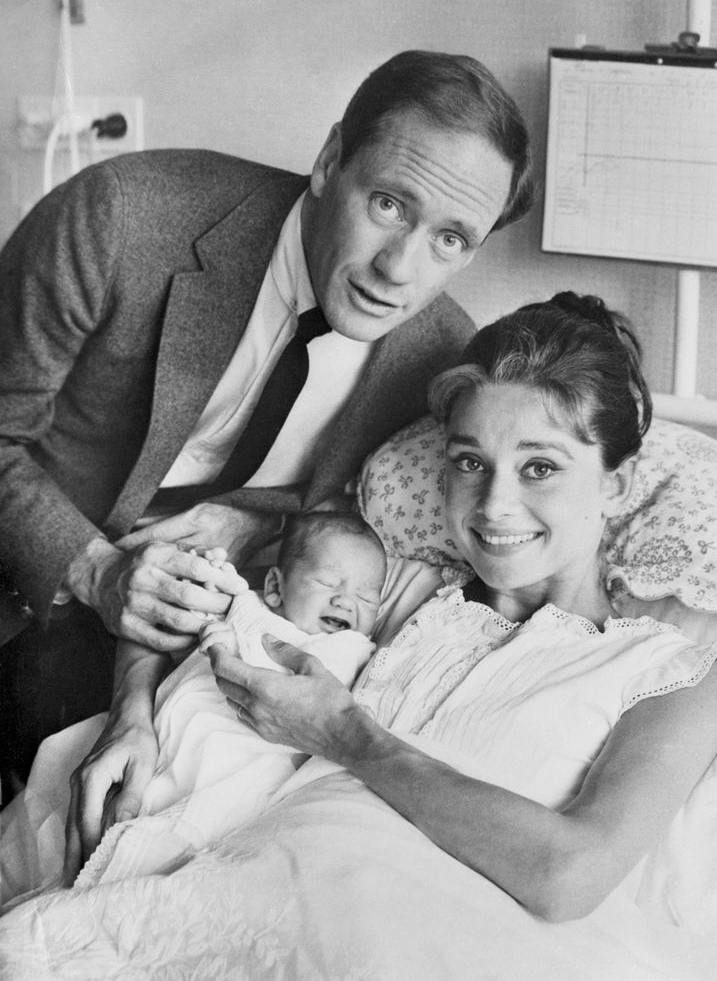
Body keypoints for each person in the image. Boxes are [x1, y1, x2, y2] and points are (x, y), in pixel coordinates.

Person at [0, 295, 717, 981]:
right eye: (468, 461)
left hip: (427, 953)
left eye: (540, 467)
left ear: (616, 486)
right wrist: (132, 712)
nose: (493, 505)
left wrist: (345, 736)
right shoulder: (394, 583)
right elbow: (177, 584)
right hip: (241, 901)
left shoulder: (674, 675)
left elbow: (569, 874)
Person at [0, 49, 535, 800]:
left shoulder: (438, 358)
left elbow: (373, 508)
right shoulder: (118, 218)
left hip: (188, 647)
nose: (399, 270)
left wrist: (253, 524)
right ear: (328, 162)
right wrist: (97, 568)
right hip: (27, 581)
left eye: (451, 239)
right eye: (389, 205)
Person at [63, 511, 387, 886]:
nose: (347, 601)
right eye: (328, 582)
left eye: (368, 597)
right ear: (276, 588)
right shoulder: (249, 608)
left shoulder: (351, 647)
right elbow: (200, 606)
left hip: (229, 771)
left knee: (165, 847)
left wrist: (229, 649)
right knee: (94, 824)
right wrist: (211, 575)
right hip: (161, 740)